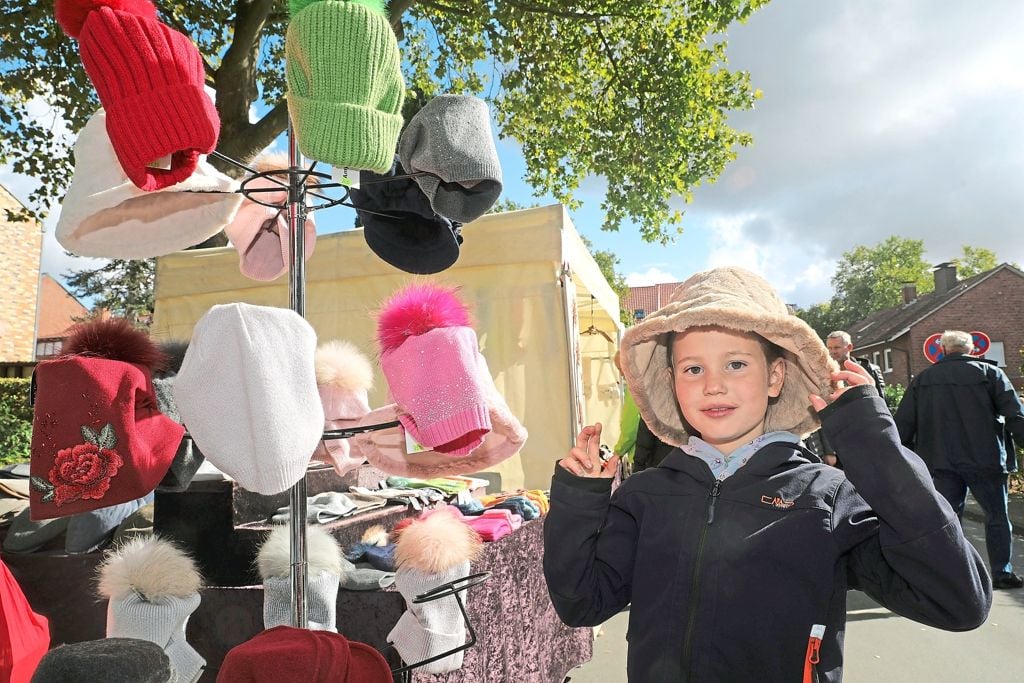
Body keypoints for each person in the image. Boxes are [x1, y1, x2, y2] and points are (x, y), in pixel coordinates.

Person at [543, 267, 990, 682]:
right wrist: (579, 501)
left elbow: (958, 601)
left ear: (775, 377)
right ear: (672, 382)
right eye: (693, 368)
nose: (713, 385)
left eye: (736, 364)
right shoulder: (646, 494)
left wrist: (875, 447)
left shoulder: (826, 497)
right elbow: (582, 603)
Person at [894, 329, 1024, 590]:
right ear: (972, 349)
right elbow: (1014, 414)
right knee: (997, 517)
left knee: (947, 520)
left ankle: (954, 575)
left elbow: (904, 423)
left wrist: (901, 459)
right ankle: (1002, 572)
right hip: (987, 460)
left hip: (941, 462)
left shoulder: (924, 379)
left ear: (942, 350)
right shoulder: (991, 374)